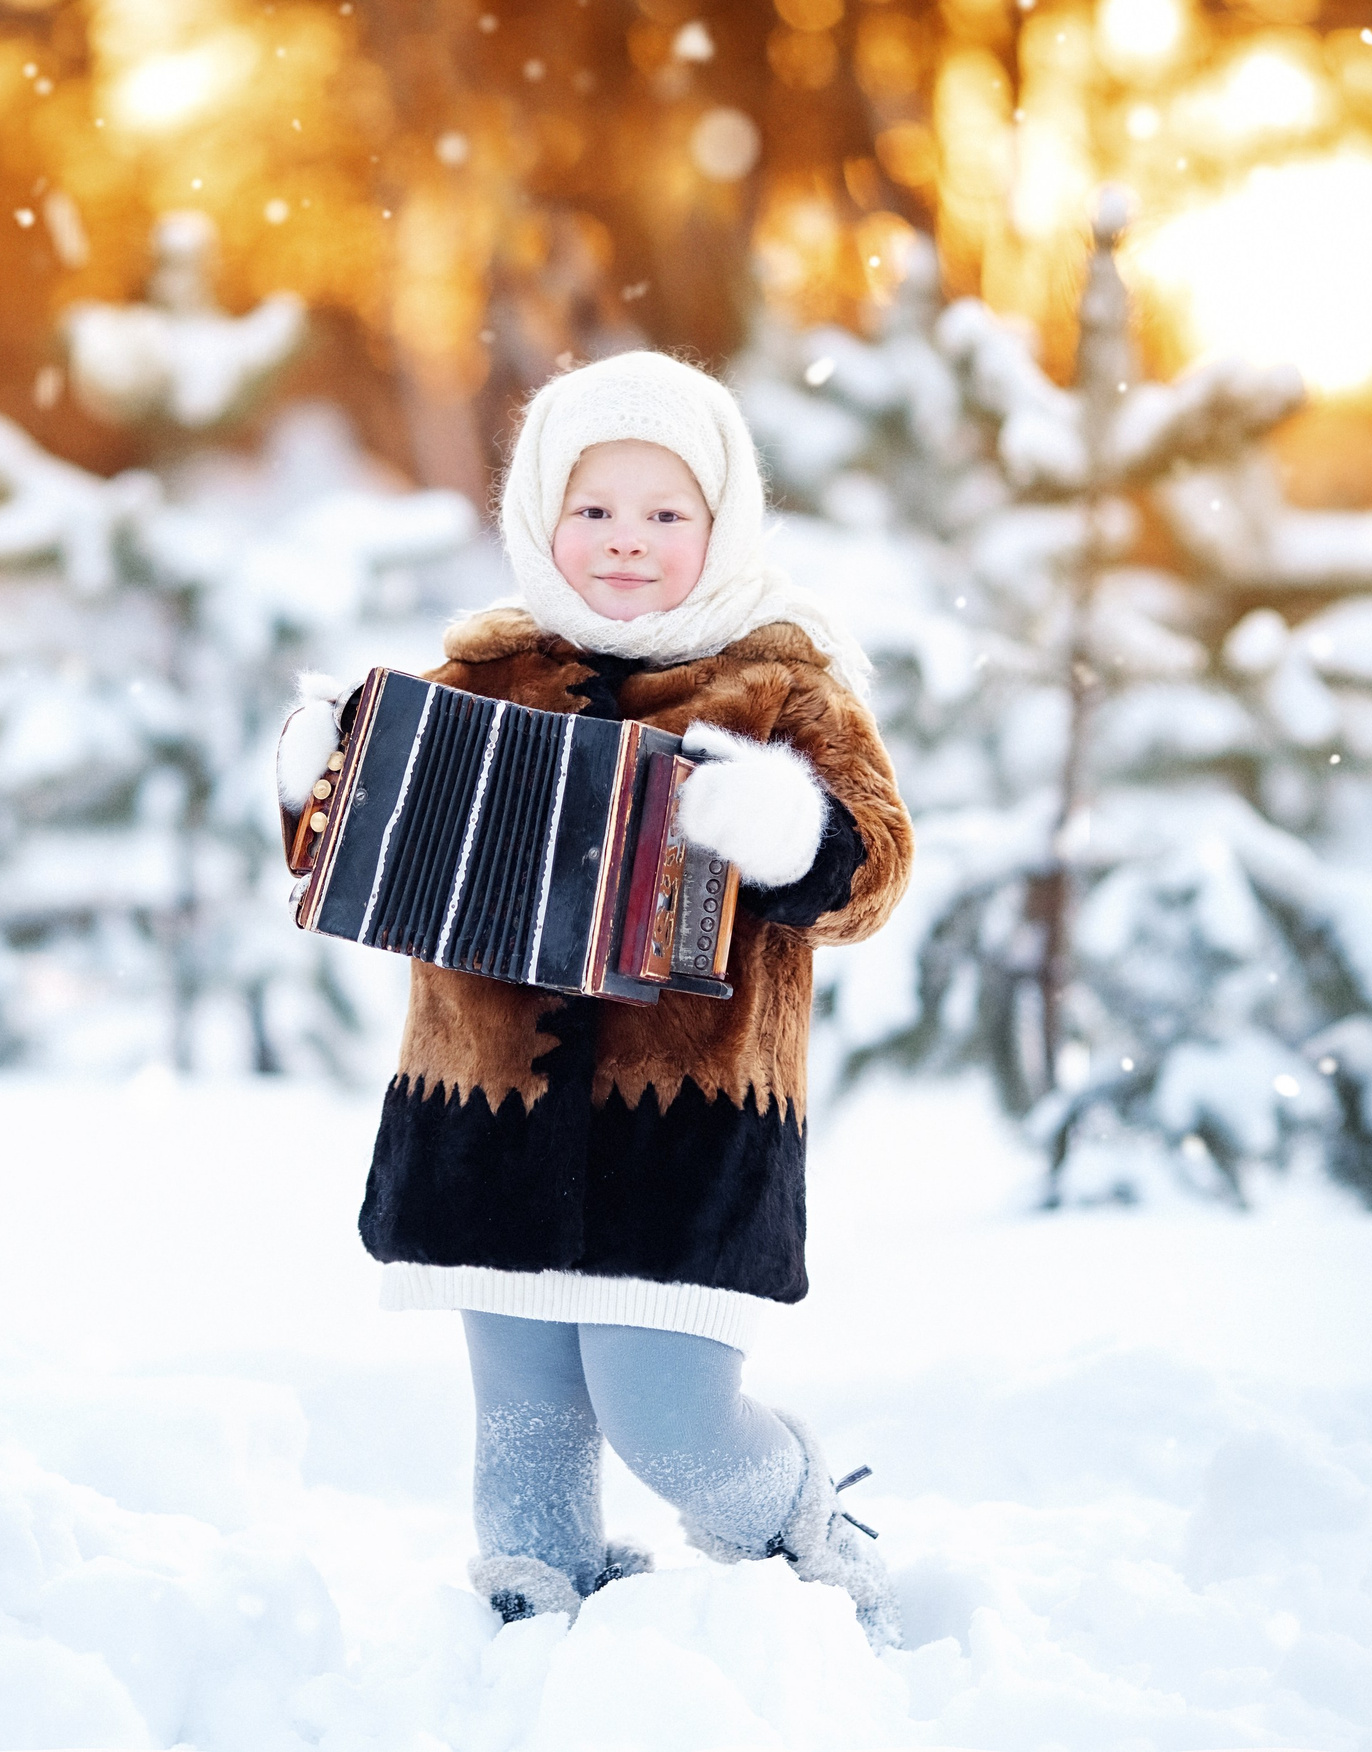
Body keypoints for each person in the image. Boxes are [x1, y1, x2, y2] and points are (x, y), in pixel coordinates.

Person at [275, 350, 913, 1647]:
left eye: (666, 515)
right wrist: (311, 787)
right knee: (523, 1419)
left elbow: (874, 870)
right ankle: (535, 1618)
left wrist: (792, 838)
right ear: (539, 519)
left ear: (723, 525)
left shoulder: (779, 690)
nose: (625, 543)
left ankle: (802, 1532)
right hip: (484, 1121)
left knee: (667, 1419)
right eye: (594, 510)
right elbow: (361, 862)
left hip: (686, 1139)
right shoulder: (476, 682)